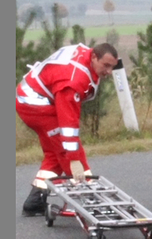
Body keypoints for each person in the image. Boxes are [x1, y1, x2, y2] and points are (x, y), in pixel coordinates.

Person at [17, 42, 120, 216]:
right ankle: (90, 200)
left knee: (54, 154)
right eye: (106, 66)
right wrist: (75, 161)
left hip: (33, 97)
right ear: (94, 57)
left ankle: (35, 200)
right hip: (36, 105)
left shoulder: (87, 57)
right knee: (68, 152)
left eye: (112, 67)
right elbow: (68, 125)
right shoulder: (73, 81)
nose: (109, 72)